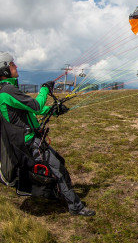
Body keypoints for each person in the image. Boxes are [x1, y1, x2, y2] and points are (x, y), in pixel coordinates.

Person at [0, 52, 95, 216]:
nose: (16, 66)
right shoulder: (7, 91)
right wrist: (45, 88)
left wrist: (54, 110)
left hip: (31, 140)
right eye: (12, 64)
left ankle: (59, 194)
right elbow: (36, 105)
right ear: (5, 70)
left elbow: (28, 110)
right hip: (29, 143)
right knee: (57, 170)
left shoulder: (7, 90)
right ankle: (76, 207)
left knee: (59, 164)